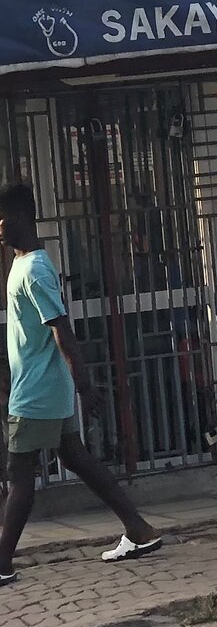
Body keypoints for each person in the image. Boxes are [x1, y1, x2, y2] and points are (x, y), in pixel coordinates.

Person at [0, 183, 161, 587]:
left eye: (2, 219)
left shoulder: (34, 269)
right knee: (76, 458)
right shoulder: (24, 264)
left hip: (37, 392)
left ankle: (1, 563)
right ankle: (139, 529)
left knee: (19, 475)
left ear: (22, 218)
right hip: (44, 385)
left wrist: (85, 386)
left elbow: (62, 331)